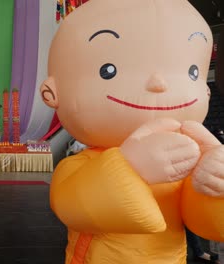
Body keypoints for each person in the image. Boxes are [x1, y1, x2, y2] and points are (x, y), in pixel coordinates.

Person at [40, 0, 224, 263]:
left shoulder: (184, 166)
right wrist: (129, 167)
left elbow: (207, 224)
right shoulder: (80, 165)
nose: (158, 83)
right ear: (52, 93)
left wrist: (213, 187)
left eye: (192, 72)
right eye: (108, 71)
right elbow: (72, 207)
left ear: (206, 90)